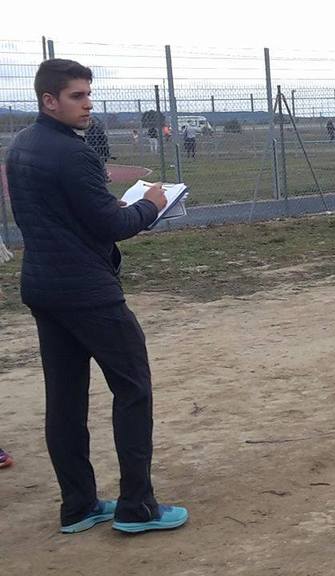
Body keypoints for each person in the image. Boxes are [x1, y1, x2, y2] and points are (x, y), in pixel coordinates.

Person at [5, 58, 188, 535]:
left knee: (64, 399)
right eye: (77, 96)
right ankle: (137, 507)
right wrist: (151, 204)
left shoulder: (21, 145)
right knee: (133, 387)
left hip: (43, 287)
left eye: (89, 94)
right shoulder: (74, 153)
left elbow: (58, 214)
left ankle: (79, 506)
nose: (88, 104)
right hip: (87, 291)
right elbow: (112, 225)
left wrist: (110, 208)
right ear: (49, 100)